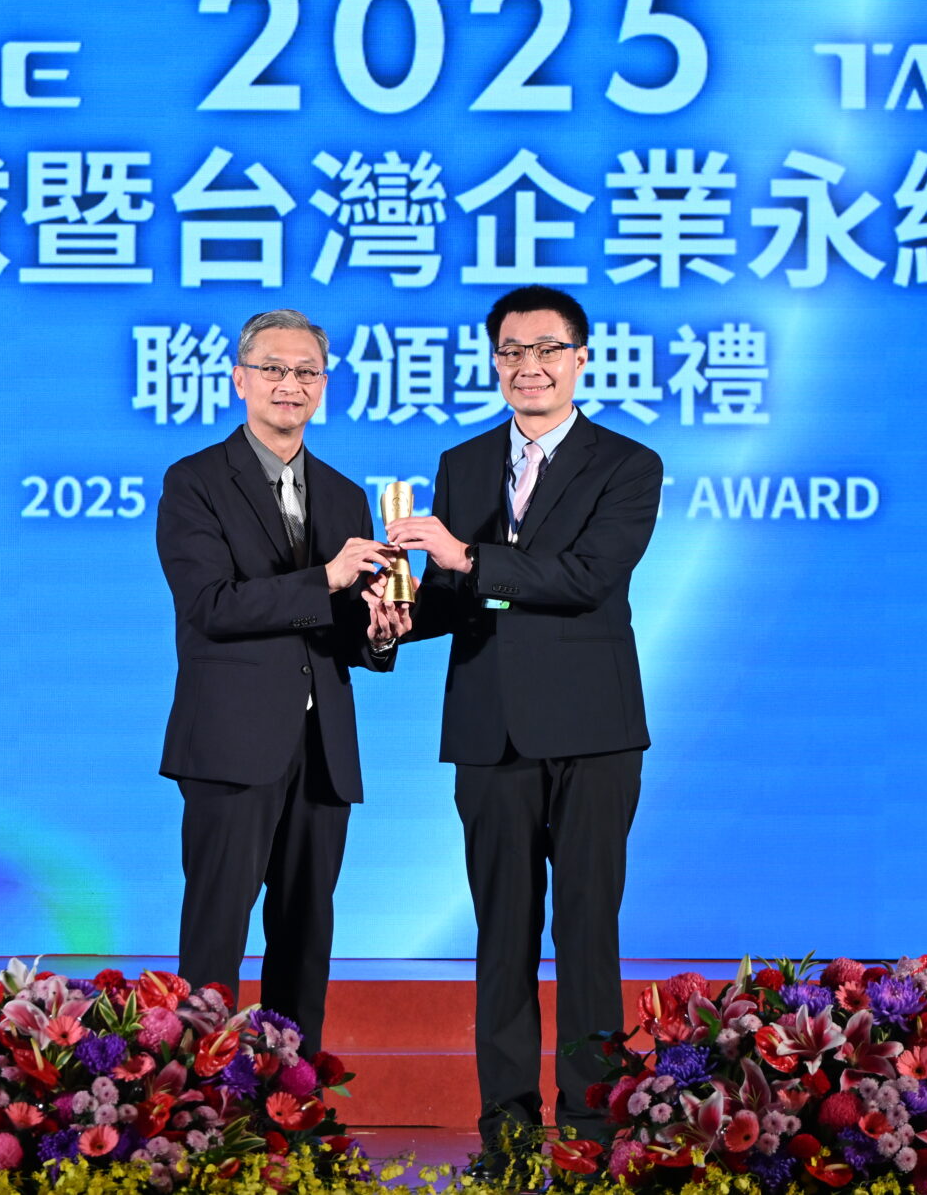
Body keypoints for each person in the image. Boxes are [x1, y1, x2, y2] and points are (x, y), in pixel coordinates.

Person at [386, 285, 664, 1153]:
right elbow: (452, 595)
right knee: (501, 935)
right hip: (490, 729)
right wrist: (392, 617)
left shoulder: (628, 464)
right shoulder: (463, 462)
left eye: (547, 350)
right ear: (494, 360)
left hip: (593, 732)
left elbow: (586, 579)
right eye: (511, 350)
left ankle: (590, 1126)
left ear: (581, 358)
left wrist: (468, 557)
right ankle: (504, 1129)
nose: (528, 366)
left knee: (587, 931)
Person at [156, 308, 410, 1055]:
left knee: (305, 935)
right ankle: (196, 1097)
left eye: (306, 371)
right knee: (216, 935)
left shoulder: (344, 494)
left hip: (322, 747)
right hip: (231, 744)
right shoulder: (195, 481)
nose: (289, 384)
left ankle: (289, 1095)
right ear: (240, 379)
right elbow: (211, 606)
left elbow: (339, 629)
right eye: (273, 368)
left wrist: (379, 632)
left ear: (323, 385)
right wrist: (325, 577)